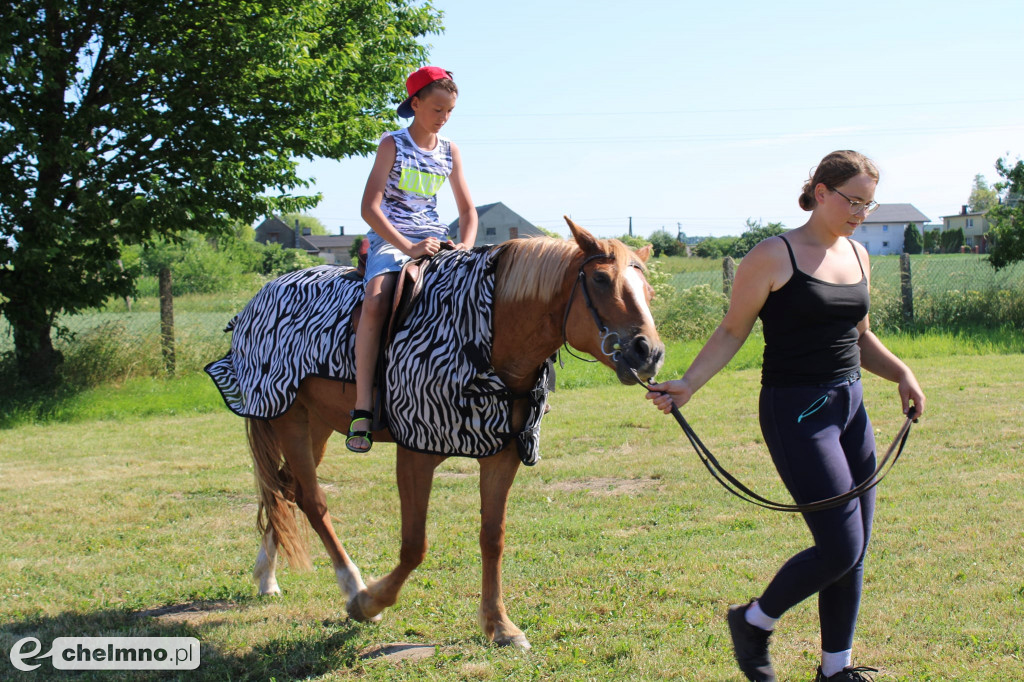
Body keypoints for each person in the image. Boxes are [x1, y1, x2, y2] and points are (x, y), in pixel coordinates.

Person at [646, 150, 925, 682]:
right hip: (797, 410)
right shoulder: (773, 256)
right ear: (821, 192)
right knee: (839, 546)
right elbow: (733, 330)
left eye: (869, 204)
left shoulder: (859, 256)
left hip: (850, 406)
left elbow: (860, 338)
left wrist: (903, 373)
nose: (861, 213)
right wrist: (688, 386)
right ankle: (753, 622)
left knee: (855, 548)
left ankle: (835, 671)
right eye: (853, 201)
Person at [347, 66, 477, 452]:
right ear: (415, 104)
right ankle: (363, 406)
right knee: (375, 301)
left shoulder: (450, 150)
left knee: (481, 292)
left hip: (436, 238)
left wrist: (466, 249)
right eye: (437, 108)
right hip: (392, 238)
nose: (443, 117)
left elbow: (468, 212)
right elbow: (369, 208)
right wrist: (407, 248)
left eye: (450, 111)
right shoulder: (392, 144)